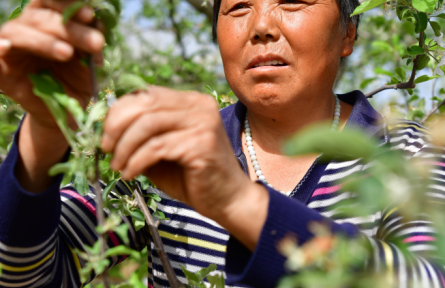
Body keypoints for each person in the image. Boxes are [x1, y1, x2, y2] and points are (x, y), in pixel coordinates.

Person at [0, 0, 443, 287]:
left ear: (348, 34)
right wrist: (47, 122)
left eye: (293, 1)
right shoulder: (169, 151)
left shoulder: (407, 156)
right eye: (238, 7)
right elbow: (24, 275)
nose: (262, 25)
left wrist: (236, 200)